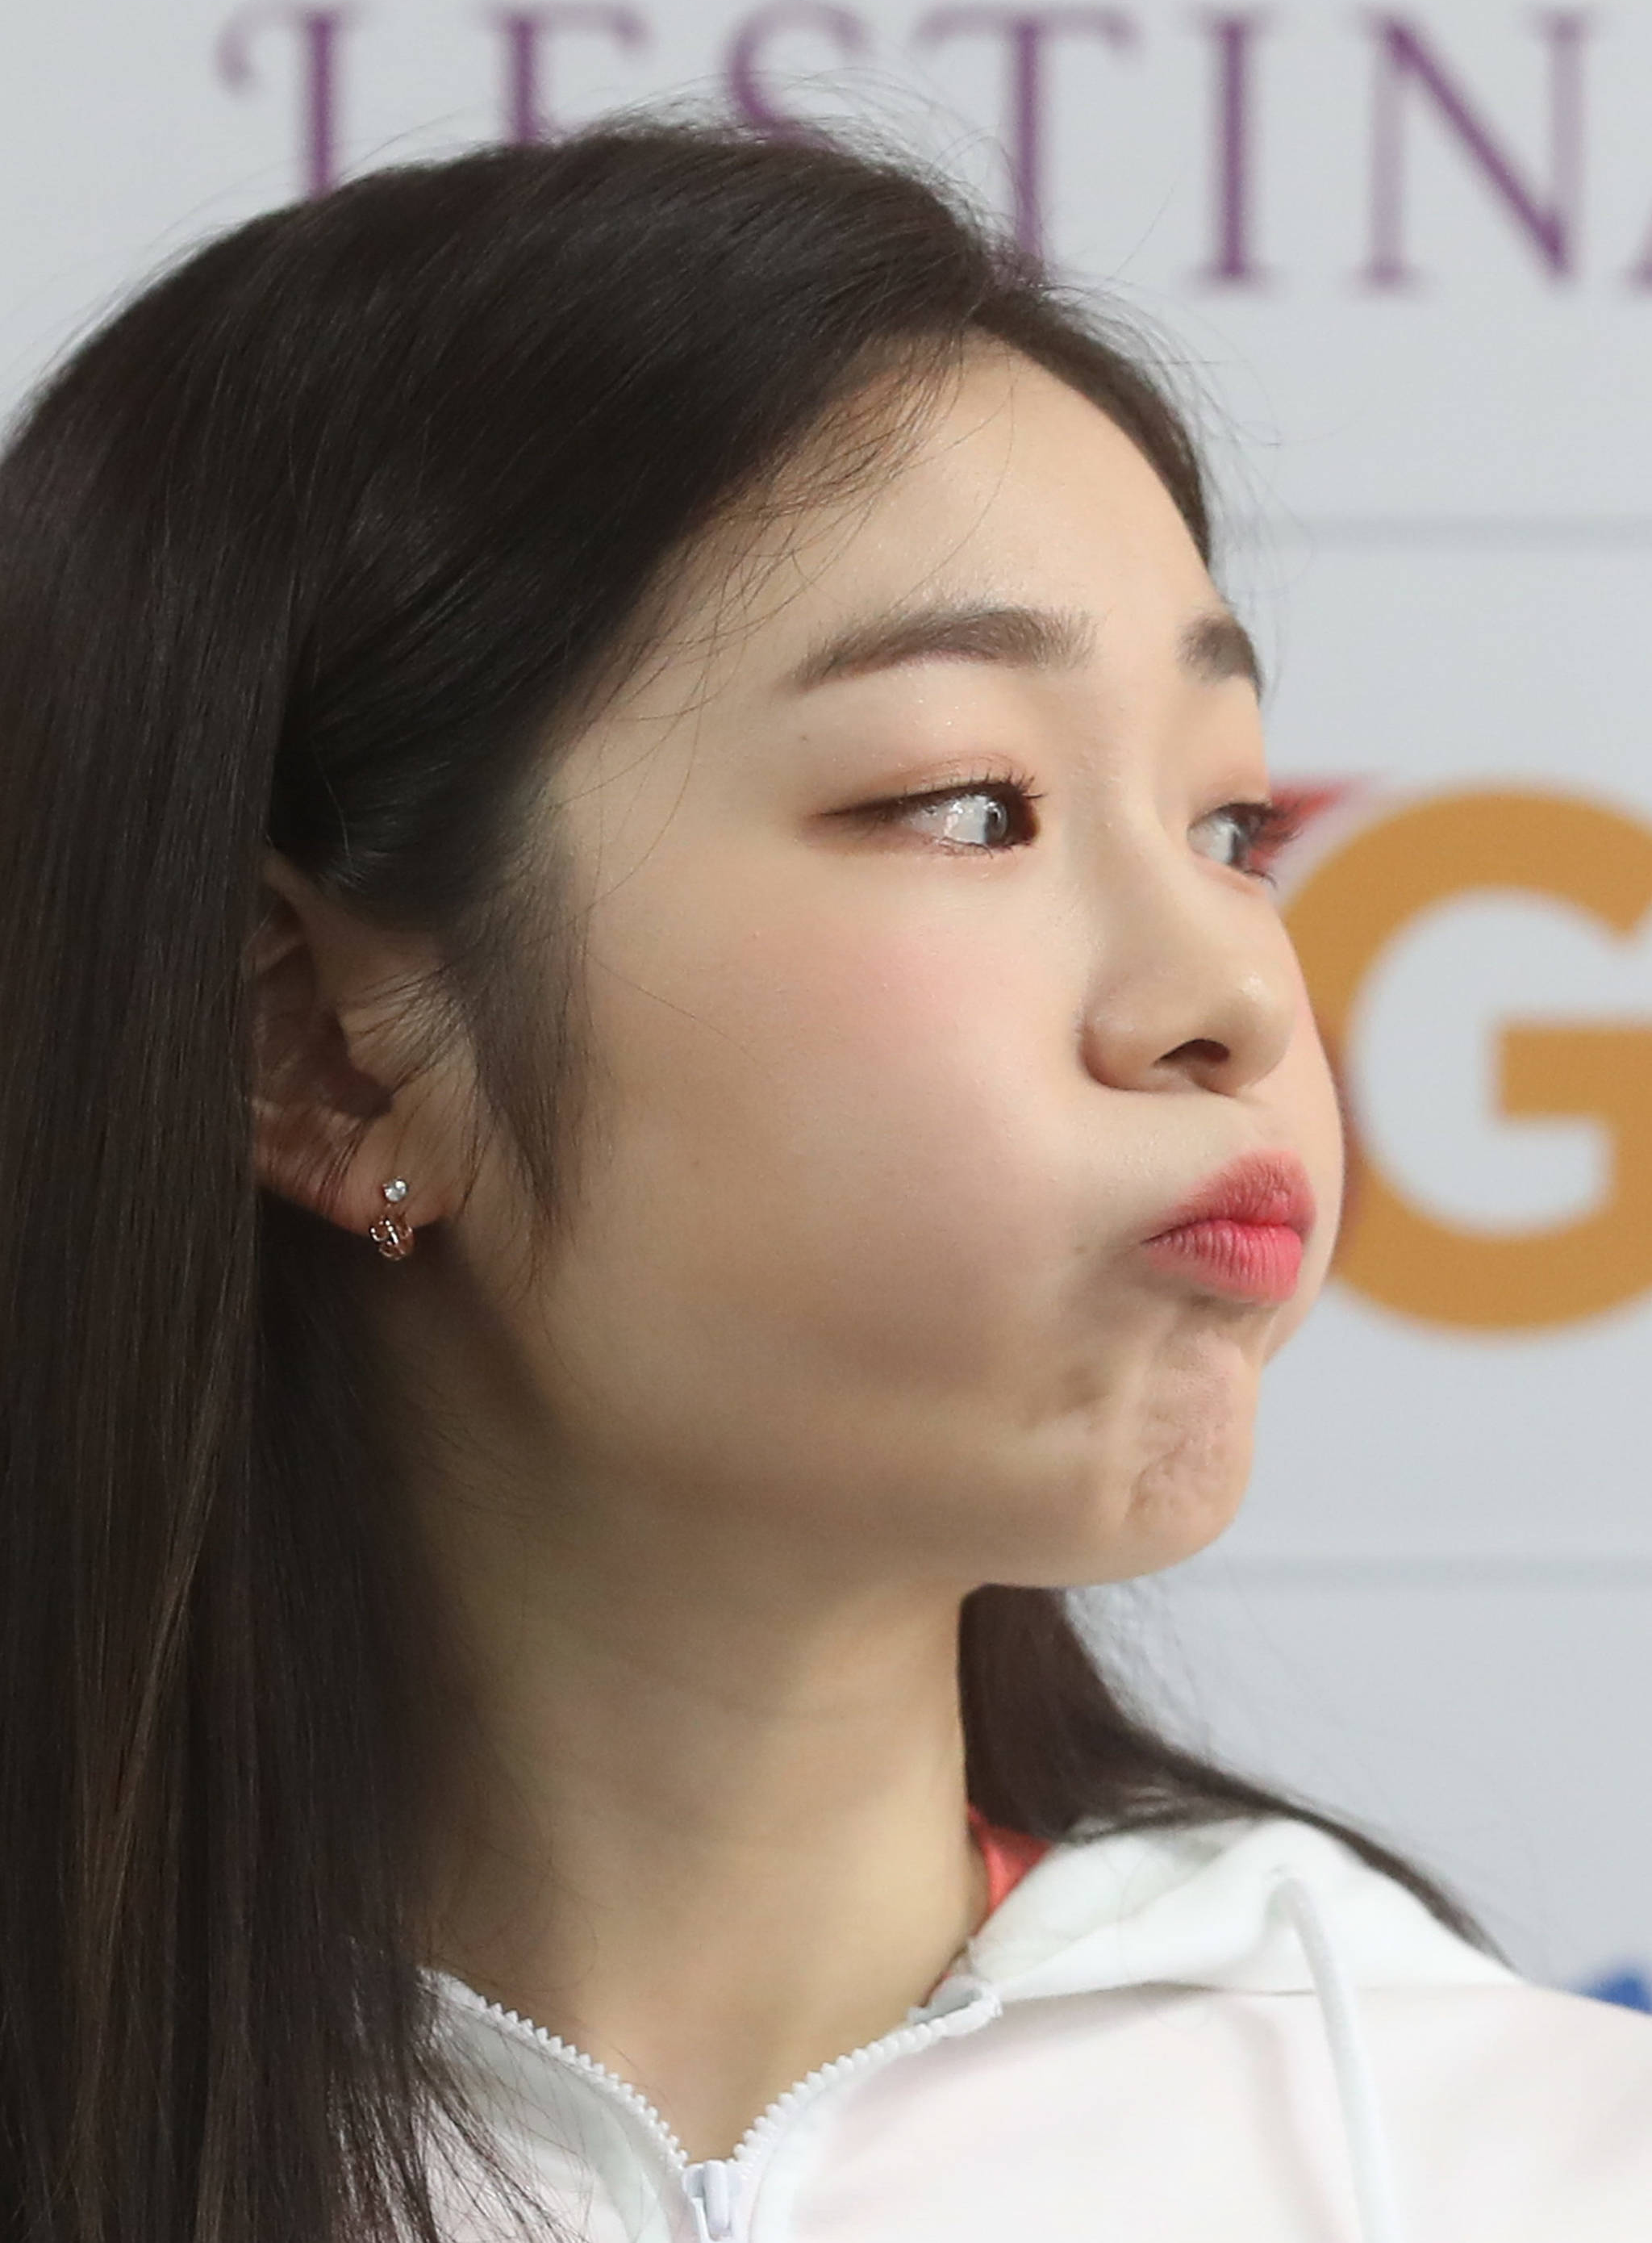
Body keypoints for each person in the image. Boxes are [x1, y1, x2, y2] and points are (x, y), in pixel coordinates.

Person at [0, 119, 1646, 2243]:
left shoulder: (1514, 2160)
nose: (1236, 994)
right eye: (970, 806)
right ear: (319, 1045)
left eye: (1233, 826)